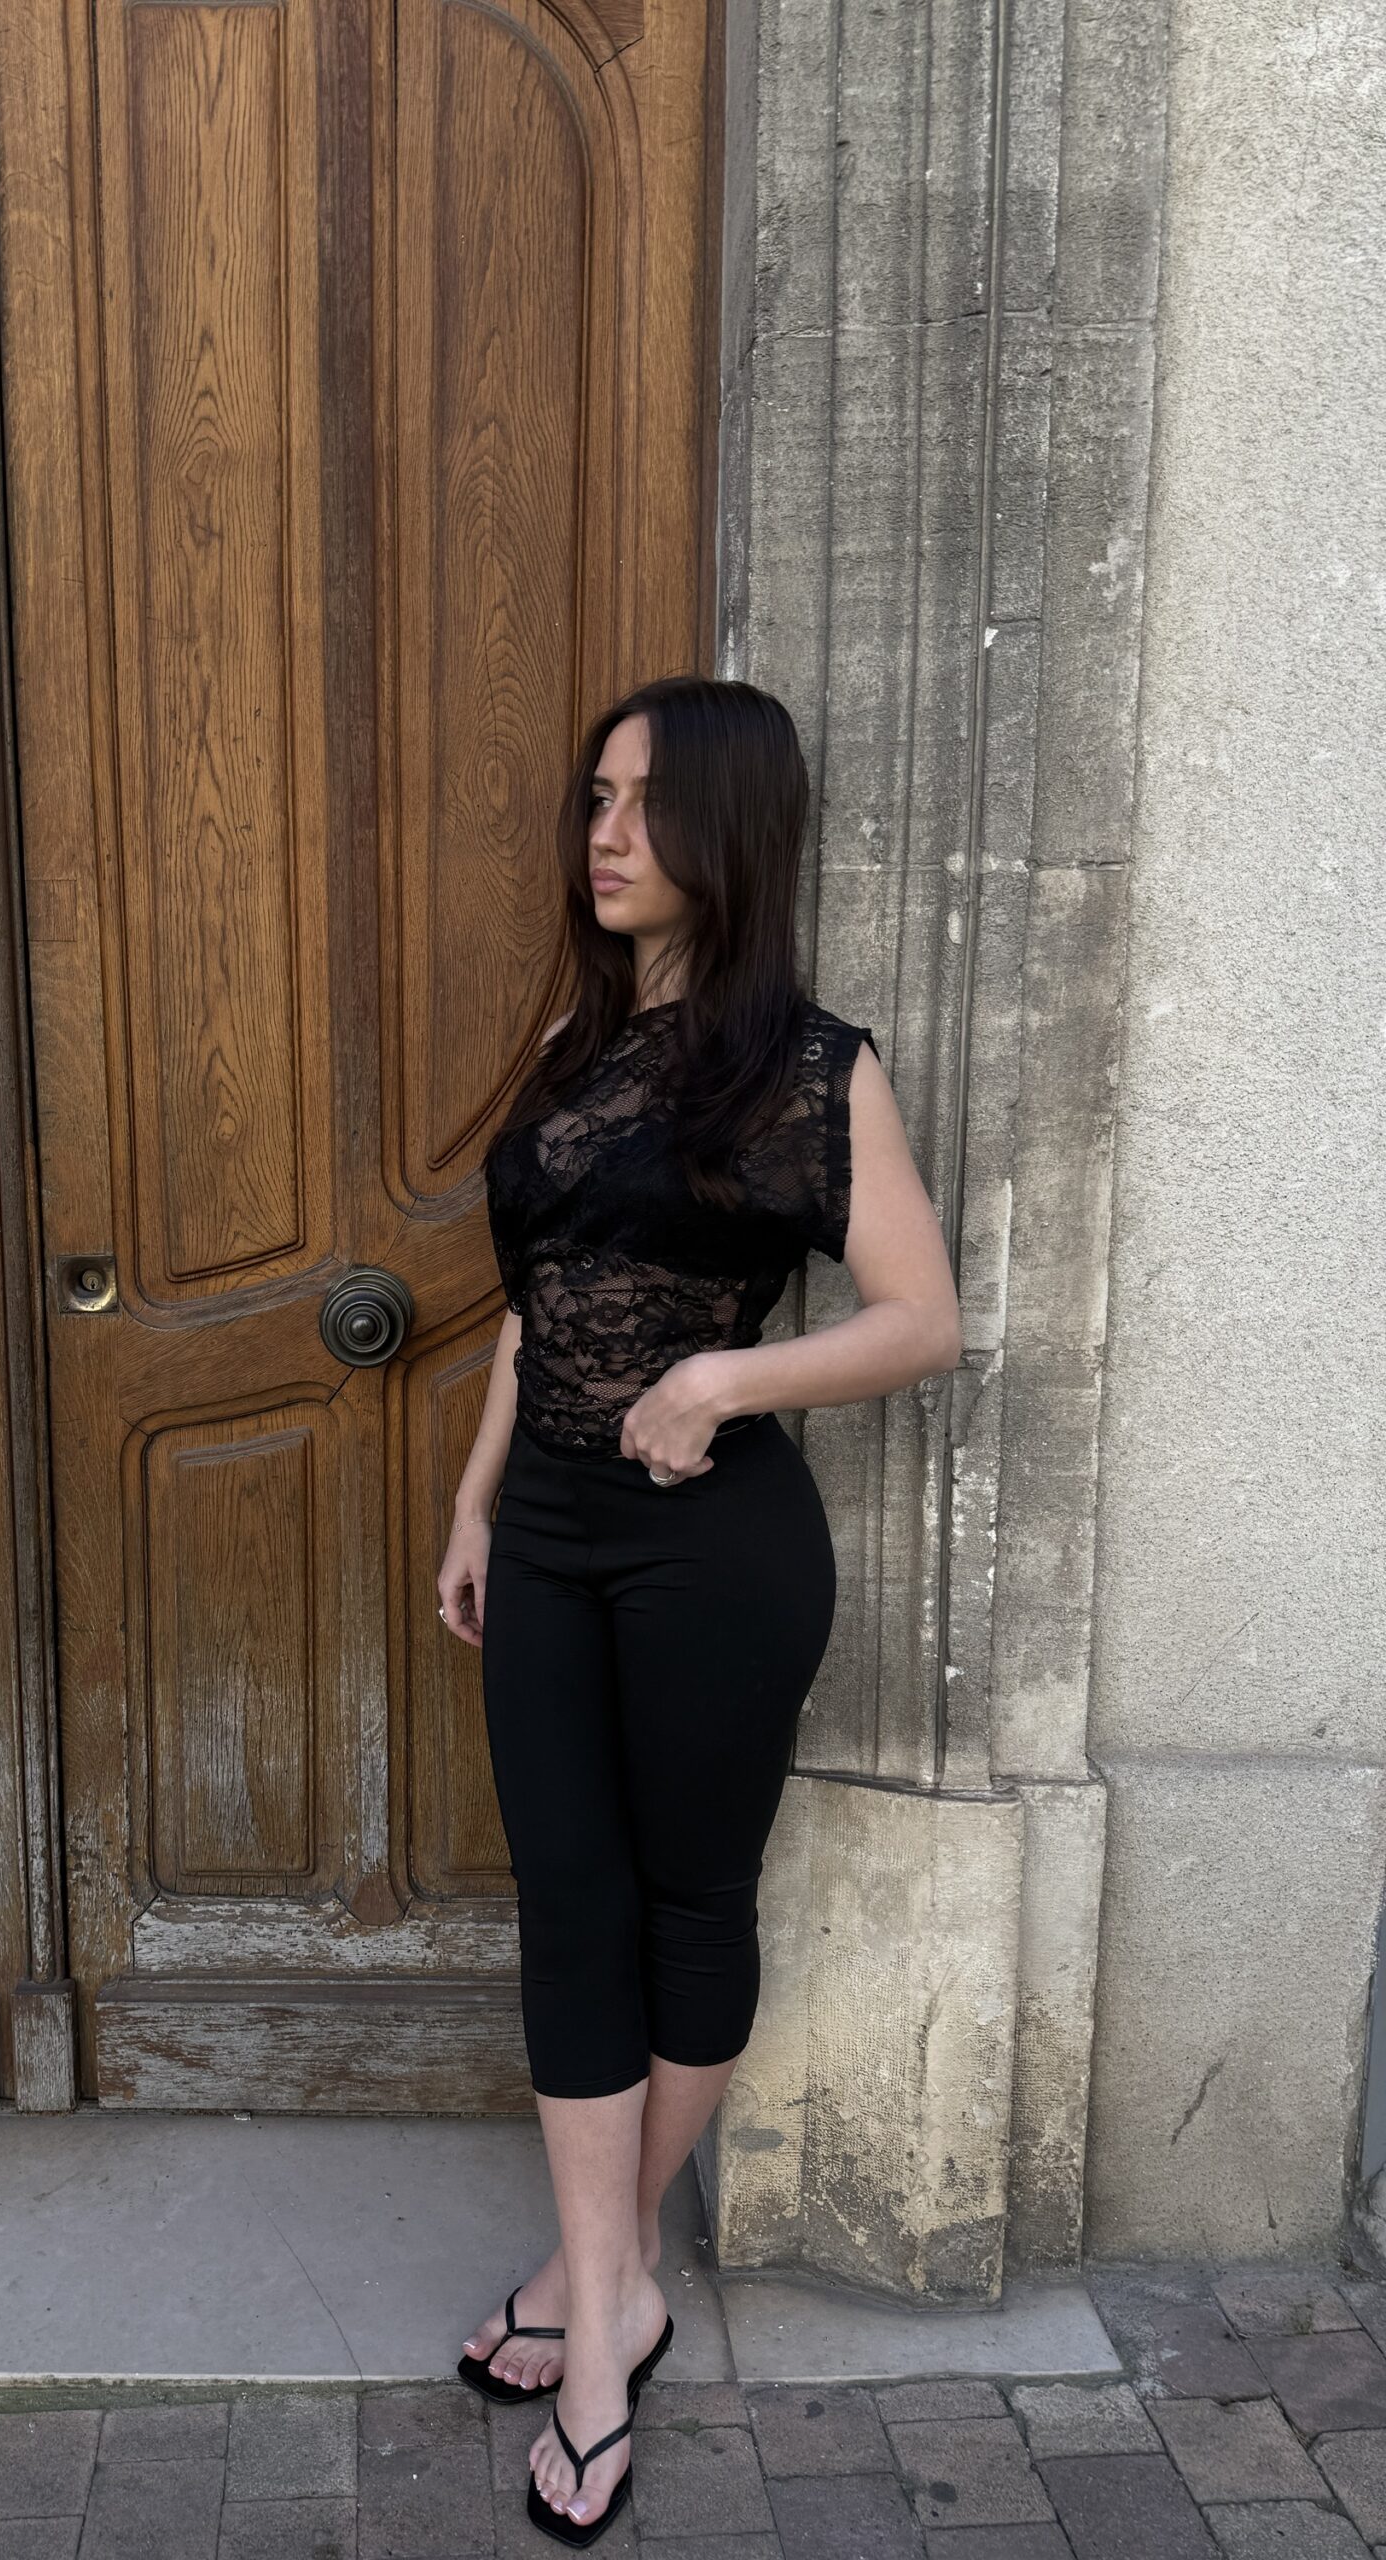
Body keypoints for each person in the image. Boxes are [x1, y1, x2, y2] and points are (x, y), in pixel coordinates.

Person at [435, 674, 962, 2545]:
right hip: (551, 1532)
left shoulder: (810, 1068)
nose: (602, 834)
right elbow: (540, 1306)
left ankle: (597, 2318)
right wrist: (477, 1498)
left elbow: (921, 1318)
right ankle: (613, 2291)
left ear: (729, 830)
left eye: (643, 803)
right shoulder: (571, 1049)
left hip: (715, 1549)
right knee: (569, 1908)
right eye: (595, 797)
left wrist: (725, 1379)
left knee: (687, 1905)